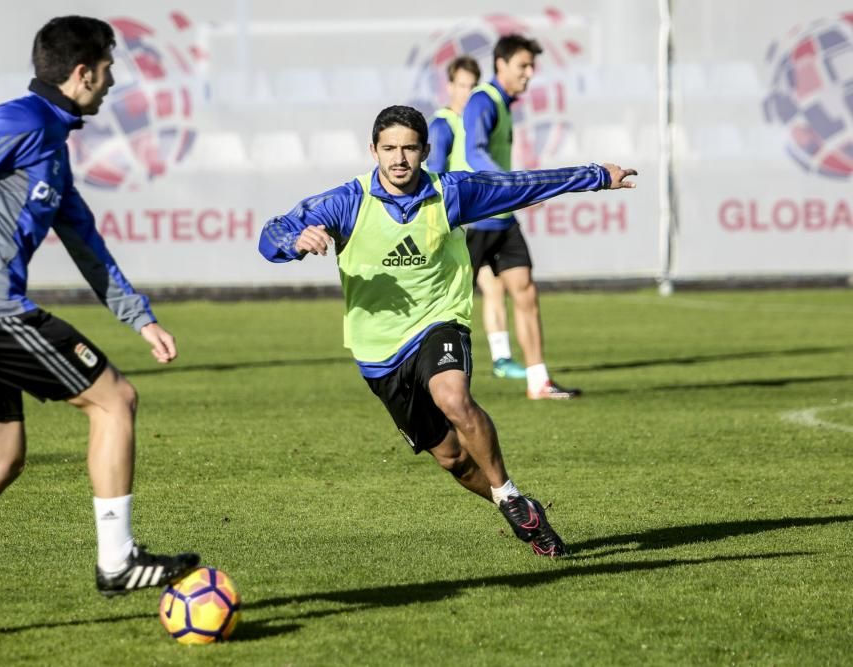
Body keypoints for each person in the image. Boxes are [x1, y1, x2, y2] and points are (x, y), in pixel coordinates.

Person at [0, 16, 199, 641]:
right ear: (82, 74)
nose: (111, 82)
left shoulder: (51, 139)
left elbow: (84, 241)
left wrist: (141, 317)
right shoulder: (19, 119)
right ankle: (117, 558)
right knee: (115, 400)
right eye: (107, 68)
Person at [258, 105, 636, 559]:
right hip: (379, 352)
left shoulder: (451, 193)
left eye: (409, 148)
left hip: (440, 319)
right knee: (452, 459)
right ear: (373, 150)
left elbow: (521, 185)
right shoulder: (345, 202)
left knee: (454, 397)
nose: (399, 159)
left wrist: (595, 176)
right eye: (389, 148)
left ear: (426, 150)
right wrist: (293, 242)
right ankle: (510, 505)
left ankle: (510, 493)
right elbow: (272, 233)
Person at [462, 34, 580, 397]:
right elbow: (473, 151)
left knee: (526, 293)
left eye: (532, 66)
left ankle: (538, 381)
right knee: (448, 304)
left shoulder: (506, 104)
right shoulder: (483, 100)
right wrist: (512, 186)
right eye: (523, 66)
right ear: (500, 64)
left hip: (502, 218)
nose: (529, 73)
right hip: (475, 218)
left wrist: (512, 194)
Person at [427, 55, 529, 382]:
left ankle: (501, 358)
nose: (468, 92)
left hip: (484, 216)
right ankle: (431, 354)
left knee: (494, 288)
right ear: (449, 86)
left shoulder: (479, 116)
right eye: (462, 85)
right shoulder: (444, 124)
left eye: (473, 85)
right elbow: (436, 175)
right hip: (461, 221)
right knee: (454, 296)